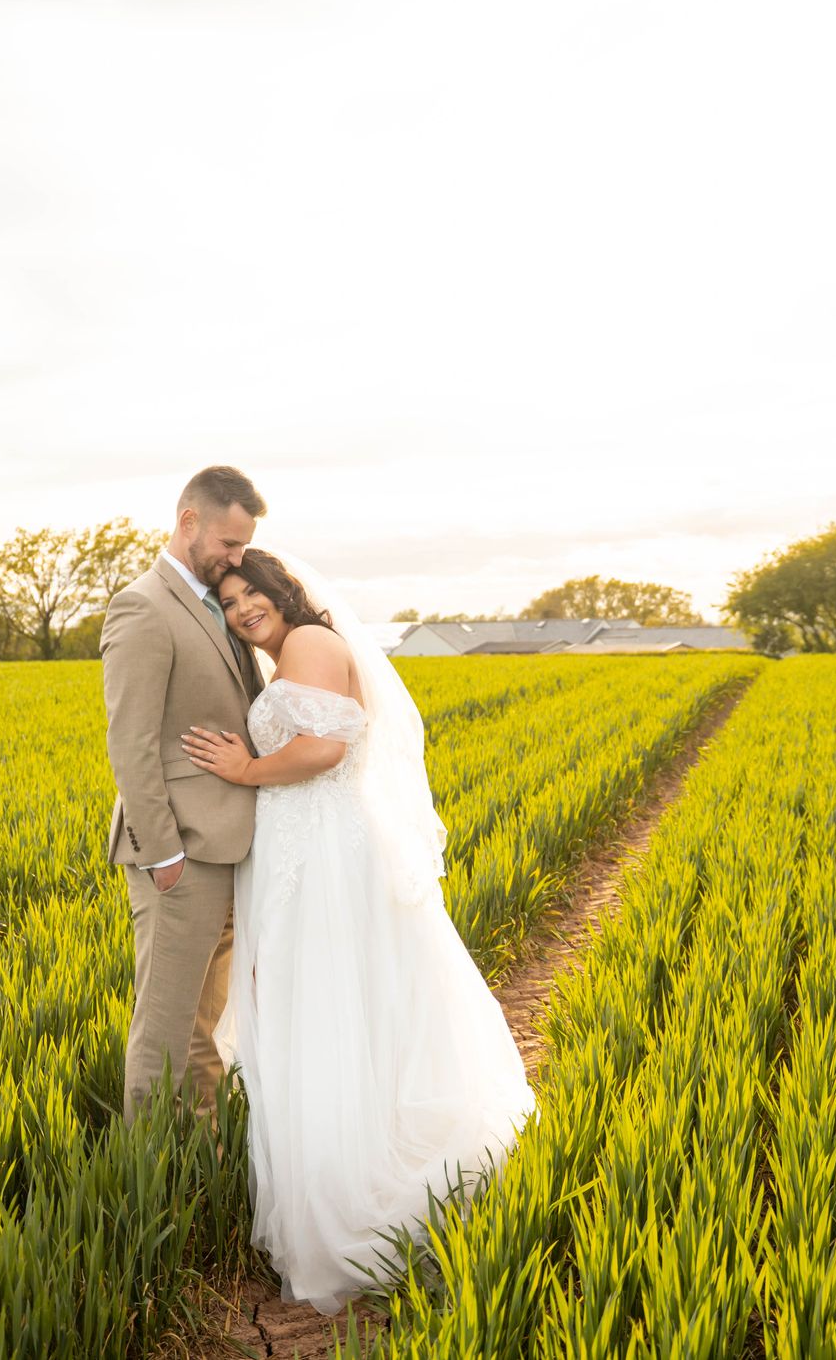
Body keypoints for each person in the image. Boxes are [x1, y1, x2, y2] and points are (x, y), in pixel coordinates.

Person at [179, 548, 536, 1314]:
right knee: (328, 1008)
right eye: (230, 600)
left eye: (253, 593)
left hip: (326, 857)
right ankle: (336, 1174)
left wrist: (243, 771)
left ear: (283, 591)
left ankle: (351, 1197)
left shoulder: (309, 640)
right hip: (306, 850)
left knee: (322, 1009)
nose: (244, 608)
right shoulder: (288, 654)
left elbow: (325, 749)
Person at [99, 465, 267, 1120]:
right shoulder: (143, 605)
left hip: (227, 849)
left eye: (244, 545)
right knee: (165, 1027)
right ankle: (146, 1174)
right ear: (188, 520)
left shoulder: (218, 604)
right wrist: (160, 851)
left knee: (204, 1024)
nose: (237, 556)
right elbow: (131, 741)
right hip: (179, 857)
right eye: (229, 542)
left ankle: (201, 1153)